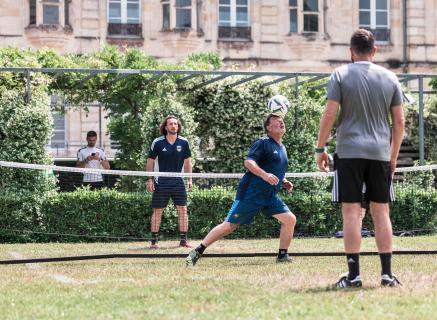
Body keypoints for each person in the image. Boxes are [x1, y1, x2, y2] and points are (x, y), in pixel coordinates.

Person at [315, 29, 405, 288]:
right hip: (380, 154)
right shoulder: (390, 77)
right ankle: (387, 275)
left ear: (351, 52)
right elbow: (399, 121)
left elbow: (330, 114)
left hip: (349, 152)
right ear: (374, 50)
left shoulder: (340, 74)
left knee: (351, 213)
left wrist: (320, 149)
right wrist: (393, 156)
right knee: (381, 211)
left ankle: (353, 276)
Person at [186, 114, 296, 266]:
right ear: (268, 128)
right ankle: (197, 251)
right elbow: (249, 162)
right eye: (276, 121)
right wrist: (264, 175)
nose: (281, 122)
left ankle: (282, 255)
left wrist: (283, 181)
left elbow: (274, 169)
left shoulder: (282, 148)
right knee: (229, 226)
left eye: (282, 121)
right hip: (252, 193)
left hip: (270, 196)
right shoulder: (263, 142)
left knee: (290, 219)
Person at [146, 116, 193, 248]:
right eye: (170, 124)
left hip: (178, 182)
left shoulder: (184, 142)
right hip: (161, 182)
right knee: (158, 211)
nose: (173, 126)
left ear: (178, 127)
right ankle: (154, 242)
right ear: (165, 127)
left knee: (183, 210)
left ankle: (183, 241)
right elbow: (150, 161)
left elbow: (188, 162)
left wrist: (190, 179)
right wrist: (149, 179)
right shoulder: (158, 142)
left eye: (175, 124)